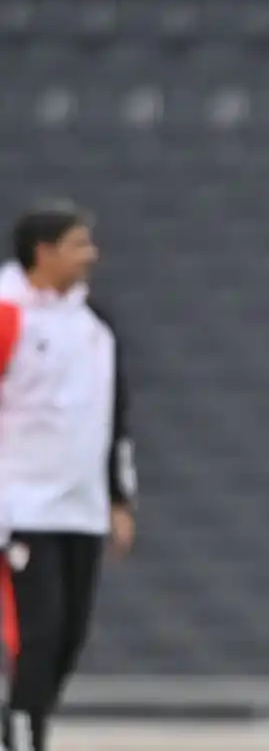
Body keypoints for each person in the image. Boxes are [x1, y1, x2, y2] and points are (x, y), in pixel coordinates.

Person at [0, 201, 137, 751]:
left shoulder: (92, 329)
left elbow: (112, 418)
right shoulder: (9, 313)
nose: (91, 255)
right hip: (21, 506)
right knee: (38, 630)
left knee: (70, 636)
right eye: (80, 244)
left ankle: (29, 720)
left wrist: (118, 498)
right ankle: (22, 732)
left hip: (79, 506)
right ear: (45, 251)